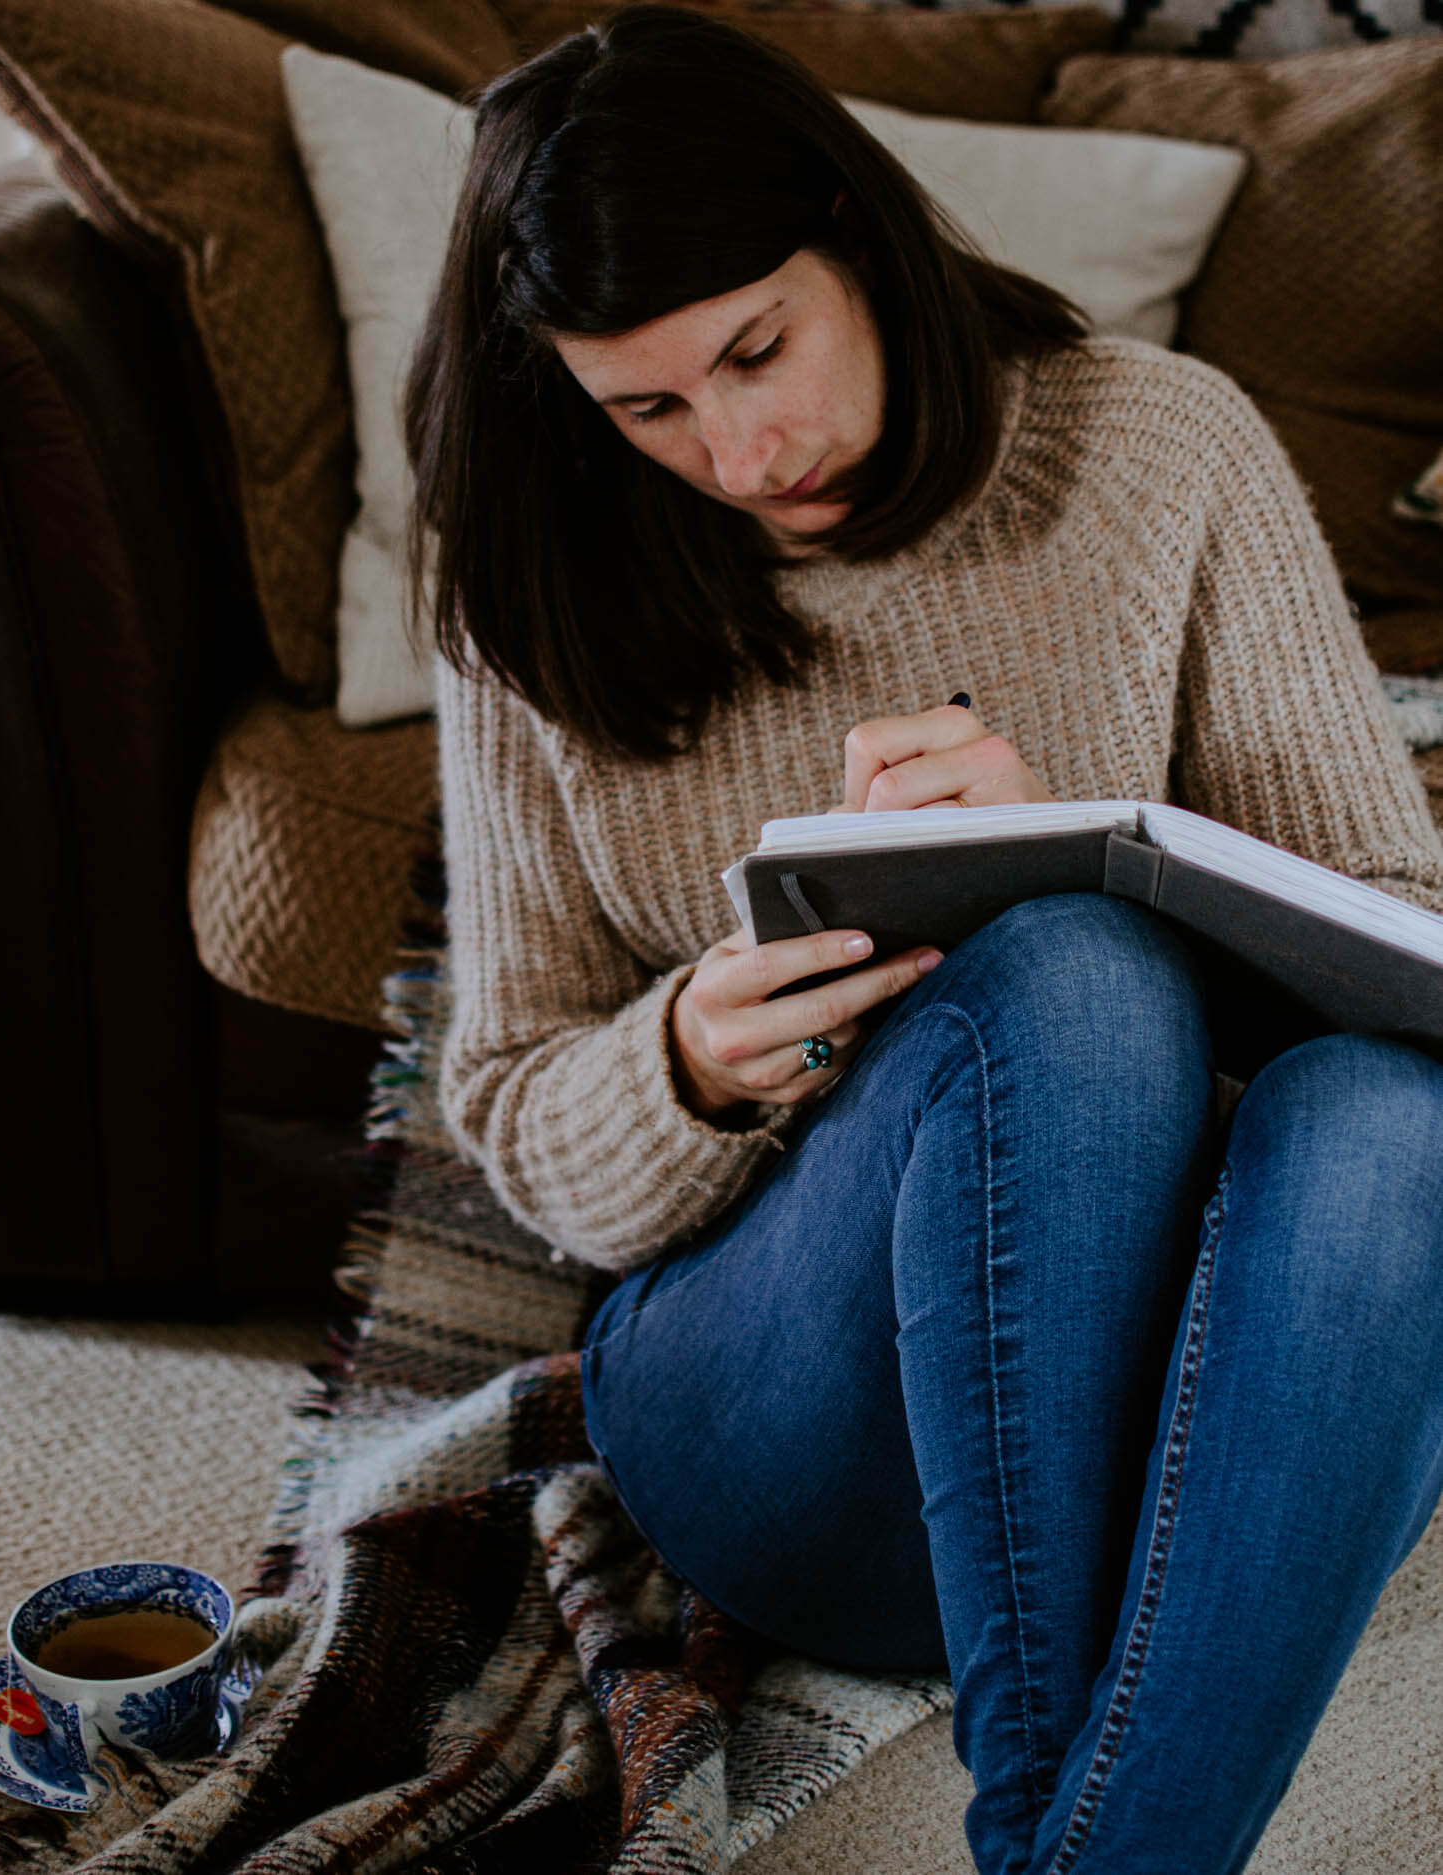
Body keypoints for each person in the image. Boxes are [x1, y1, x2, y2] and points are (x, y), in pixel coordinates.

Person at [402, 9, 1443, 1871]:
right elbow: (514, 1108)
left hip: (1179, 1426)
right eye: (647, 409)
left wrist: (1118, 848)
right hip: (783, 1419)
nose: (736, 448)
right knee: (1061, 983)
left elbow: (1413, 937)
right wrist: (693, 1056)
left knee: (1390, 1116)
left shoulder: (1154, 449)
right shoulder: (530, 584)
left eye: (756, 349)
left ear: (861, 242)